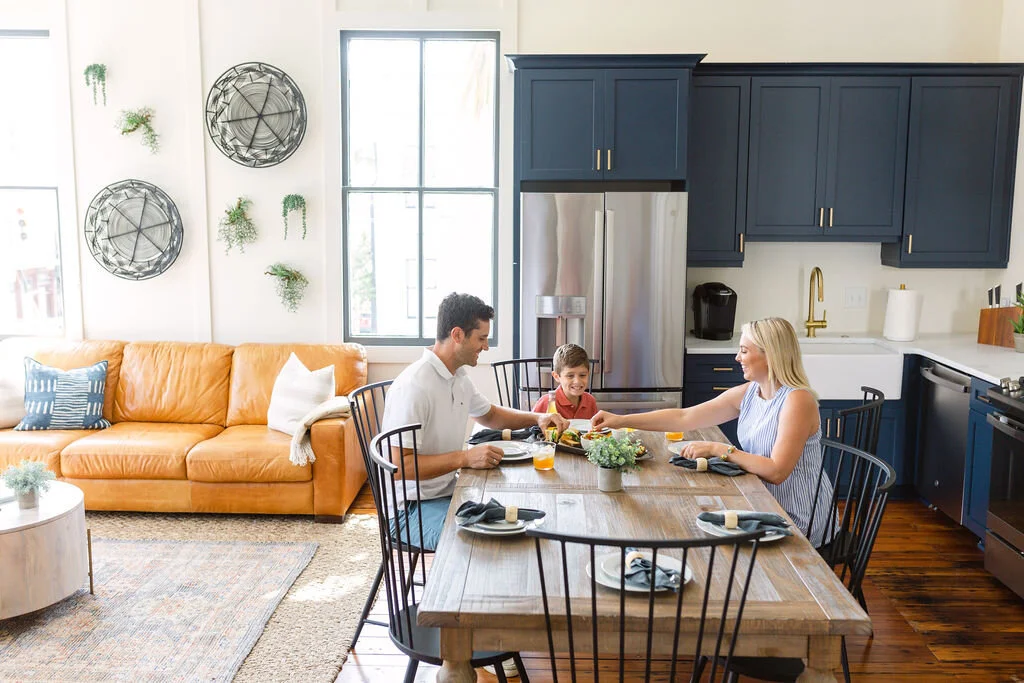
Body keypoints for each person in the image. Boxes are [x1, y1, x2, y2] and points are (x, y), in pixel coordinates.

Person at [592, 317, 835, 547]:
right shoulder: (751, 392)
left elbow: (776, 471)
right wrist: (621, 420)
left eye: (744, 350)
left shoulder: (797, 401)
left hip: (795, 517)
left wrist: (719, 449)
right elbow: (684, 417)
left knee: (701, 533)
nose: (737, 357)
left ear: (770, 355)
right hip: (759, 502)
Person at [380, 292, 568, 552]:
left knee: (520, 520)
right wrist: (465, 458)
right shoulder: (414, 386)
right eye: (481, 338)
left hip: (448, 492)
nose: (486, 346)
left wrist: (538, 417)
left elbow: (489, 415)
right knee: (484, 544)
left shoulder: (457, 377)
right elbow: (400, 467)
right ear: (457, 335)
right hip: (410, 510)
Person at [531, 343, 599, 420]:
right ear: (556, 376)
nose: (577, 381)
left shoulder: (590, 401)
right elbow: (532, 429)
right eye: (570, 376)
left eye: (582, 375)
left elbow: (594, 429)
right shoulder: (547, 402)